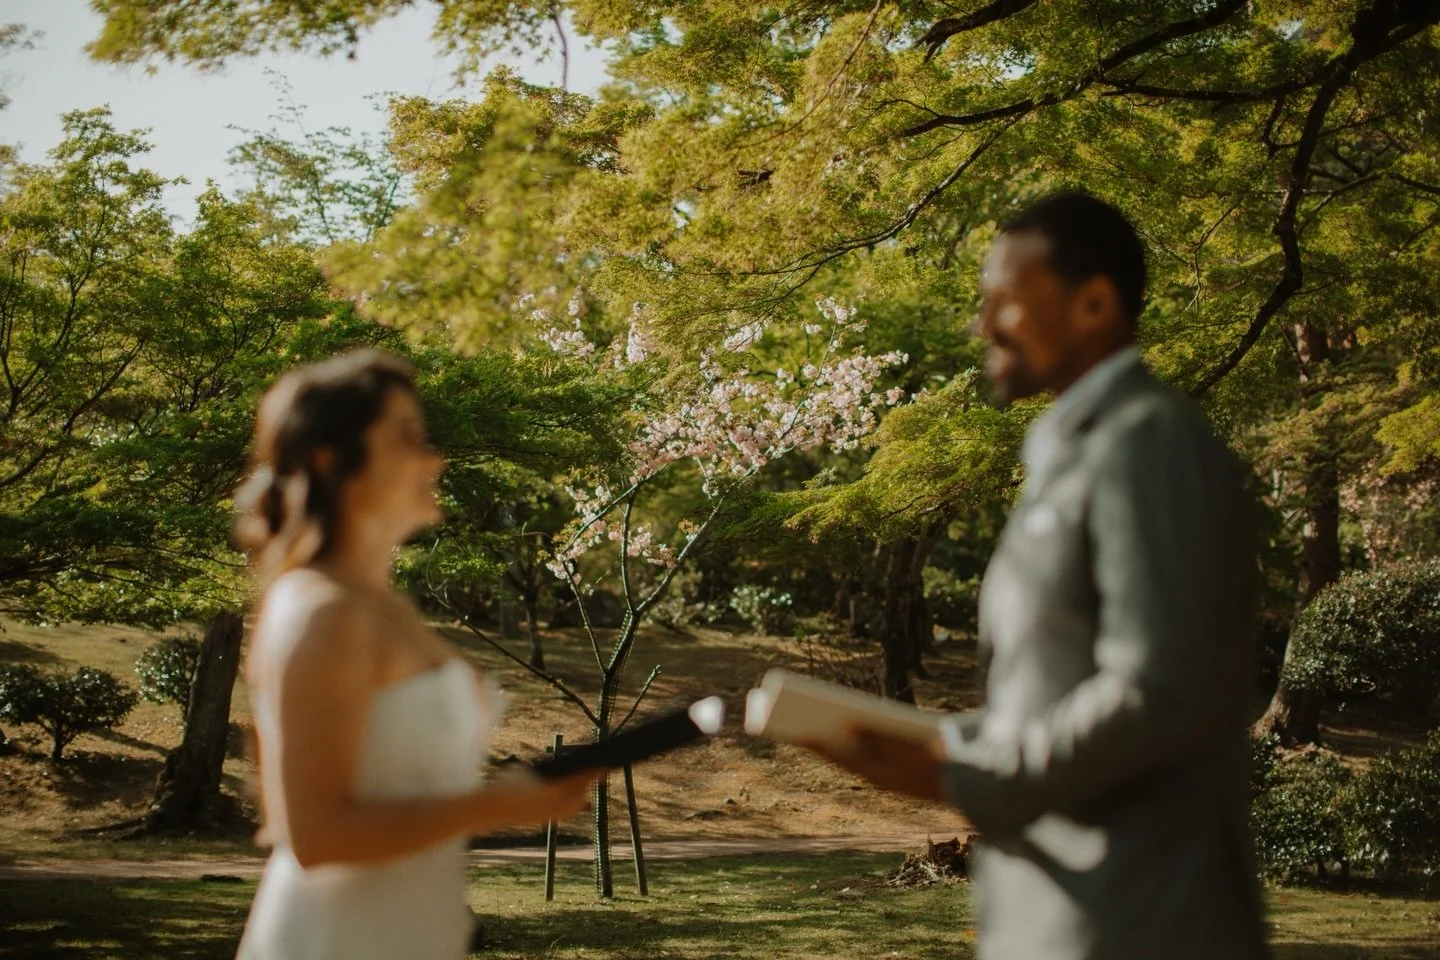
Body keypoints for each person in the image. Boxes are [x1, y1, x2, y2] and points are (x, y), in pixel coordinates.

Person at [807, 192, 1270, 959]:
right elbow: (1056, 693)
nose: (983, 326)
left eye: (1007, 304)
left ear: (1094, 303)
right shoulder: (1071, 454)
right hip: (1056, 919)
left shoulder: (1148, 443)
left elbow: (1156, 693)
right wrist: (937, 744)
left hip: (1135, 924)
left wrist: (965, 782)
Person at [232, 349, 594, 960]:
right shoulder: (320, 608)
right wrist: (497, 805)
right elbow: (313, 833)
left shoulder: (386, 607)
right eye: (408, 438)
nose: (435, 458)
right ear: (331, 461)